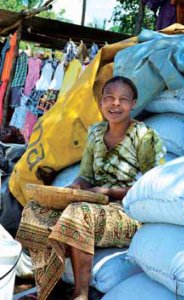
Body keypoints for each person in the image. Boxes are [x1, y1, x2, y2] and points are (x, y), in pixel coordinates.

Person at [16, 76, 165, 300]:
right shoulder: (95, 132)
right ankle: (48, 290)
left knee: (79, 214)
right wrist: (74, 188)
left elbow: (153, 186)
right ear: (101, 102)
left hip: (128, 212)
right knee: (36, 210)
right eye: (109, 98)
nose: (115, 104)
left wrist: (108, 192)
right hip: (93, 203)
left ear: (133, 103)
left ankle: (80, 294)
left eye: (123, 99)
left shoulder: (144, 137)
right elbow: (86, 175)